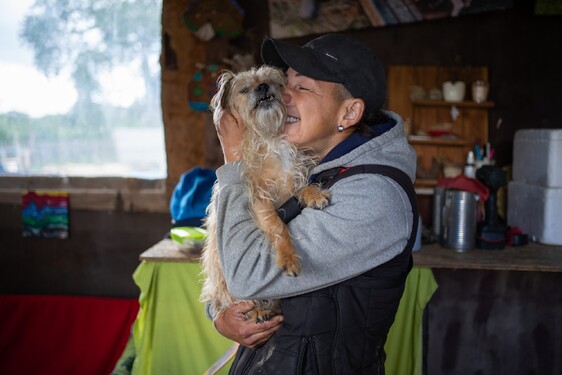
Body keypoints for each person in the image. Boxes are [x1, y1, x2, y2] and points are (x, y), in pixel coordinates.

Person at [210, 33, 417, 374]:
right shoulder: (308, 168)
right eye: (285, 82)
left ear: (349, 112)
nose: (281, 94)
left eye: (302, 88)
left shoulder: (374, 197)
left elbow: (247, 274)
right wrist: (221, 316)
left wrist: (234, 162)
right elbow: (230, 257)